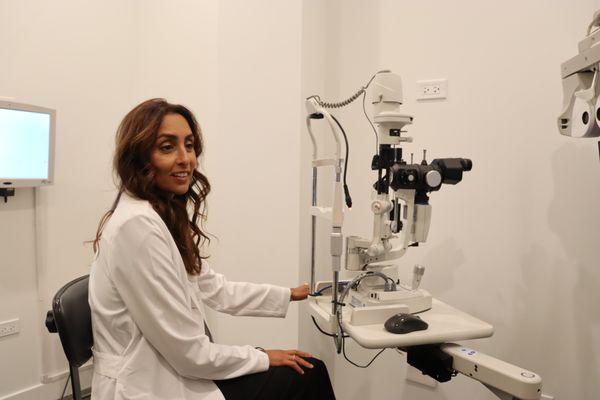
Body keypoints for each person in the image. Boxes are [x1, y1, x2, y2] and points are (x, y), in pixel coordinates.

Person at [89, 98, 336, 400]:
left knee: (306, 370)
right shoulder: (137, 227)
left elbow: (213, 288)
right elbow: (188, 355)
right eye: (168, 147)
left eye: (189, 145)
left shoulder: (157, 215)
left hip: (174, 368)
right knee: (307, 375)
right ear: (139, 157)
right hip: (150, 383)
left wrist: (290, 294)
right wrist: (262, 356)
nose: (186, 159)